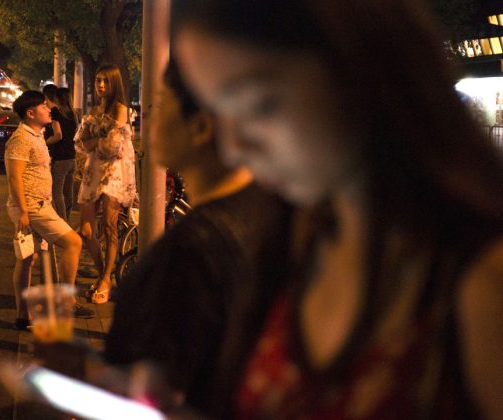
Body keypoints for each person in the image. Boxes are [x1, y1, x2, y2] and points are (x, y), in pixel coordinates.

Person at [169, 0, 503, 418]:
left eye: (259, 105)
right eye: (217, 111)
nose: (232, 149)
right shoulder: (296, 240)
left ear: (360, 63)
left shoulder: (480, 284)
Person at [102, 58, 293, 418]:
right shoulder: (278, 217)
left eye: (162, 105)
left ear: (201, 126)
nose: (150, 120)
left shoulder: (186, 254)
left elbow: (140, 397)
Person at [5, 90, 88, 330]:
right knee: (73, 243)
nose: (49, 108)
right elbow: (14, 177)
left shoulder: (37, 134)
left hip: (39, 204)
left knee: (28, 258)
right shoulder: (21, 139)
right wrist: (22, 211)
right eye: (43, 106)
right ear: (31, 113)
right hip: (32, 207)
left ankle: (23, 316)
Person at [75, 65, 137, 304]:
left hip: (114, 176)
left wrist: (95, 140)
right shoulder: (94, 109)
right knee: (86, 231)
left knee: (110, 228)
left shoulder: (121, 110)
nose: (100, 86)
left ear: (115, 84)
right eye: (98, 81)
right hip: (93, 174)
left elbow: (112, 146)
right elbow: (80, 143)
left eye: (105, 82)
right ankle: (104, 274)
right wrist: (99, 139)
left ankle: (104, 281)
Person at [44, 86, 78, 222]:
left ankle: (61, 224)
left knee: (57, 193)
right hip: (71, 158)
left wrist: (45, 142)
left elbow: (58, 135)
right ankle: (67, 221)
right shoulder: (72, 114)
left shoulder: (56, 113)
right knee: (68, 194)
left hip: (60, 158)